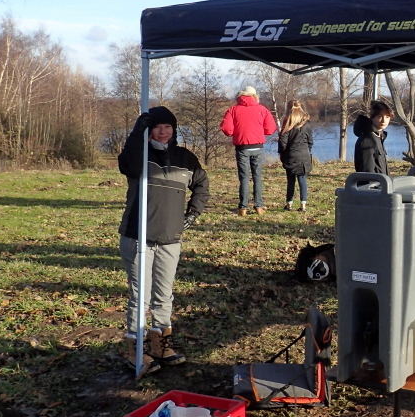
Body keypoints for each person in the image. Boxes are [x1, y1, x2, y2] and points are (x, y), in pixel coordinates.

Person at [118, 106, 209, 375]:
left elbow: (202, 185)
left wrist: (192, 214)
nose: (163, 130)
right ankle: (136, 350)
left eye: (167, 126)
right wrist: (137, 133)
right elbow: (127, 164)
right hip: (138, 236)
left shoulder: (185, 158)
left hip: (170, 238)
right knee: (140, 296)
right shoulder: (140, 155)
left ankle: (161, 345)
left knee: (163, 294)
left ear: (174, 129)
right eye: (157, 126)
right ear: (149, 129)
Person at [221, 86, 277, 216]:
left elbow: (227, 129)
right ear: (254, 96)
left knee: (244, 178)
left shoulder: (232, 110)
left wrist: (236, 133)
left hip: (242, 147)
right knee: (257, 177)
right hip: (258, 146)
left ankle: (243, 208)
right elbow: (270, 128)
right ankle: (258, 206)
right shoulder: (262, 110)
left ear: (241, 96)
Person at [279, 99, 314, 211]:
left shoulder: (288, 123)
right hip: (304, 155)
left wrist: (282, 154)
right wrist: (307, 151)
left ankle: (289, 204)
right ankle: (303, 205)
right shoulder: (307, 124)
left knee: (290, 181)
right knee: (302, 179)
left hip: (291, 155)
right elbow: (310, 141)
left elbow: (282, 141)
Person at [353, 98, 394, 175]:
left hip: (383, 184)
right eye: (379, 116)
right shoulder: (367, 140)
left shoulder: (377, 136)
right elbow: (367, 174)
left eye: (387, 117)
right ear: (372, 117)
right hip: (373, 186)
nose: (384, 121)